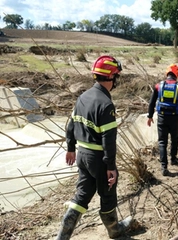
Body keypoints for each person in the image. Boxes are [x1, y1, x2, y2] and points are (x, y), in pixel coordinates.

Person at [56, 55, 133, 240]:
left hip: (82, 155)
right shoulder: (106, 104)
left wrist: (71, 147)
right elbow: (108, 140)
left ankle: (62, 237)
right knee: (107, 194)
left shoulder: (83, 96)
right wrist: (111, 167)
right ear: (111, 78)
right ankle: (115, 230)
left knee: (82, 195)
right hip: (97, 158)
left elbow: (71, 125)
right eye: (116, 77)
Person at [147, 64, 178, 176]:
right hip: (174, 117)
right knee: (175, 139)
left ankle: (163, 167)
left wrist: (150, 116)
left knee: (162, 142)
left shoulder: (158, 86)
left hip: (162, 117)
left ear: (167, 73)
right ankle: (173, 159)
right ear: (177, 74)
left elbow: (152, 102)